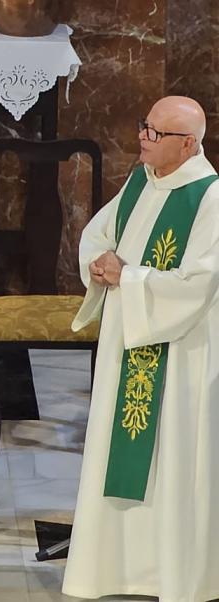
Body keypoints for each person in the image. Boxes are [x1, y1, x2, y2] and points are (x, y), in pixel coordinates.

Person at [64, 96, 219, 602]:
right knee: (118, 449)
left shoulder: (209, 197)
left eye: (156, 133)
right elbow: (98, 234)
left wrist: (127, 276)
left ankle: (169, 574)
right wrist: (100, 261)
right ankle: (111, 568)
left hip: (179, 354)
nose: (143, 138)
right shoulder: (142, 180)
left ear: (190, 144)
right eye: (144, 126)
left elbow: (198, 283)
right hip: (127, 341)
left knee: (170, 460)